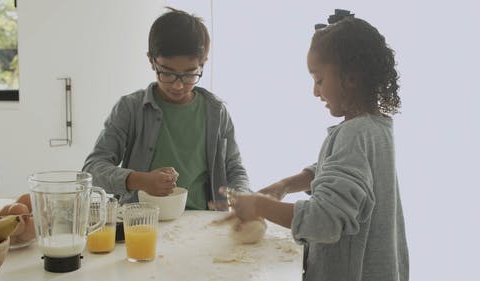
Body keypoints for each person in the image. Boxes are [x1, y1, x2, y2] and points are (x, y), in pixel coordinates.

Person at [226, 9, 409, 281]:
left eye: (319, 80)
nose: (315, 91)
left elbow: (325, 220)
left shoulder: (353, 135)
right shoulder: (376, 127)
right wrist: (285, 185)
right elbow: (341, 173)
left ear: (351, 78)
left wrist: (259, 207)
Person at [83, 7, 250, 210]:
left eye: (190, 74)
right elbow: (92, 170)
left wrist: (242, 198)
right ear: (152, 61)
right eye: (168, 73)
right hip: (141, 224)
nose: (178, 85)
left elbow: (235, 169)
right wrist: (139, 180)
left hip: (202, 224)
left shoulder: (216, 111)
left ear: (203, 63)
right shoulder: (130, 108)